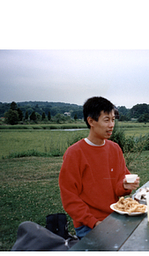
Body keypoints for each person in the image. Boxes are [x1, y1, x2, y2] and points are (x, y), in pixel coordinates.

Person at [59, 96, 139, 239]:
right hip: (89, 225)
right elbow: (69, 197)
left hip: (116, 217)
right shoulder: (75, 153)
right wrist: (94, 223)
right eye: (106, 120)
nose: (111, 125)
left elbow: (119, 184)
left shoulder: (115, 149)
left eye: (113, 120)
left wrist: (126, 185)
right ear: (91, 121)